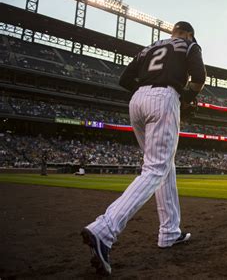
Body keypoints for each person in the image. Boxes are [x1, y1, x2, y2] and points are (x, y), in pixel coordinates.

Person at [81, 21, 206, 276]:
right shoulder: (189, 44)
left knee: (163, 166)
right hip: (164, 98)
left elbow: (125, 79)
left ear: (172, 31)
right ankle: (104, 229)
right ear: (189, 33)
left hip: (137, 101)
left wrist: (146, 88)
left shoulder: (150, 47)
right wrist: (186, 97)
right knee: (156, 168)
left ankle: (170, 232)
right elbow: (200, 77)